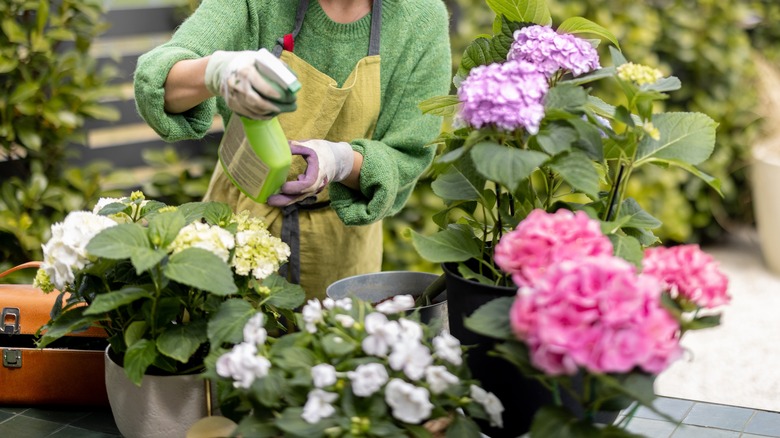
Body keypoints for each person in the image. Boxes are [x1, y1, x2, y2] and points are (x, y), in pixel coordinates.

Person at [134, 0, 452, 298]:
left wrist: (339, 161)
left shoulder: (419, 17)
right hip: (233, 225)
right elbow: (159, 80)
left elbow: (407, 155)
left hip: (340, 251)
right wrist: (218, 71)